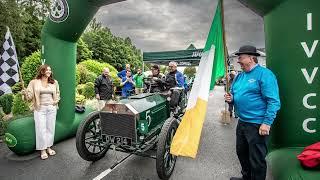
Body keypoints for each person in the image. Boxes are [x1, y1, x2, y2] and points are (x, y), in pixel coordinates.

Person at [225, 45, 281, 180]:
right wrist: (231, 99)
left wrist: (266, 123)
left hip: (257, 124)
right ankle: (246, 177)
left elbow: (274, 101)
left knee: (257, 159)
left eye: (240, 57)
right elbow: (234, 95)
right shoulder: (239, 77)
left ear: (251, 58)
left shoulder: (265, 74)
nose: (238, 61)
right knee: (242, 153)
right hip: (242, 122)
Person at [22, 64, 60, 160]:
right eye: (47, 70)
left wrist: (55, 101)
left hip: (51, 108)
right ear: (42, 71)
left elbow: (58, 93)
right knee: (41, 129)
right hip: (40, 108)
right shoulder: (34, 82)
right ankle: (42, 149)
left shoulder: (54, 82)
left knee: (50, 128)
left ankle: (48, 147)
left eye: (50, 70)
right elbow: (29, 97)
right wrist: (25, 93)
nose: (49, 72)